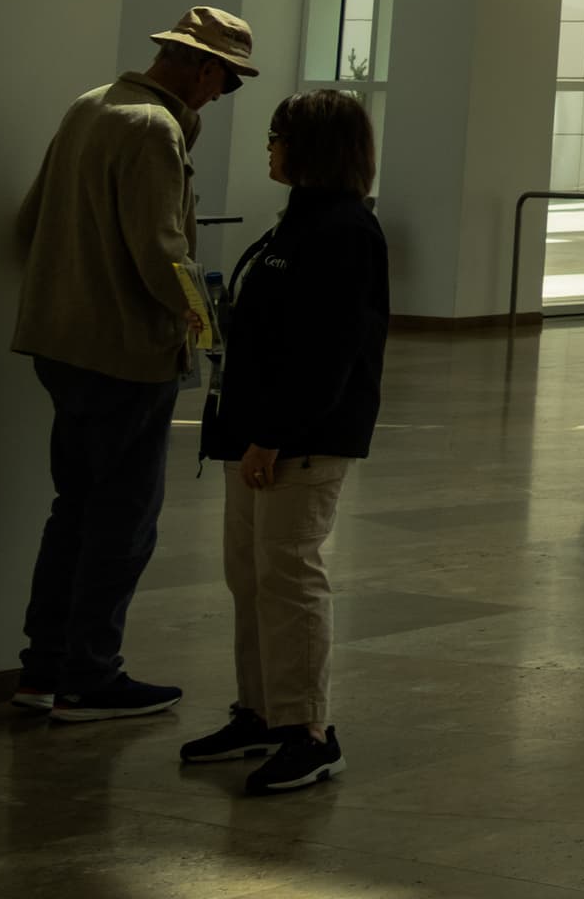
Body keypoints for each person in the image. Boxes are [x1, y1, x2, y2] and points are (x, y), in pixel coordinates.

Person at [11, 4, 259, 724]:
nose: (222, 95)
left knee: (73, 511)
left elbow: (30, 222)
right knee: (125, 519)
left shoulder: (91, 106)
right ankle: (91, 676)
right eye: (228, 82)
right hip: (124, 354)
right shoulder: (154, 127)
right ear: (204, 68)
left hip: (58, 345)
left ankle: (42, 671)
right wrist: (209, 327)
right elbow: (163, 255)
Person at [183, 88, 389, 796]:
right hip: (258, 434)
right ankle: (262, 711)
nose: (269, 147)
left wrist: (274, 435)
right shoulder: (296, 224)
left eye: (278, 136)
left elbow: (326, 352)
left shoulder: (344, 231)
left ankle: (309, 732)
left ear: (313, 148)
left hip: (300, 437)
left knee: (290, 575)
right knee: (250, 574)